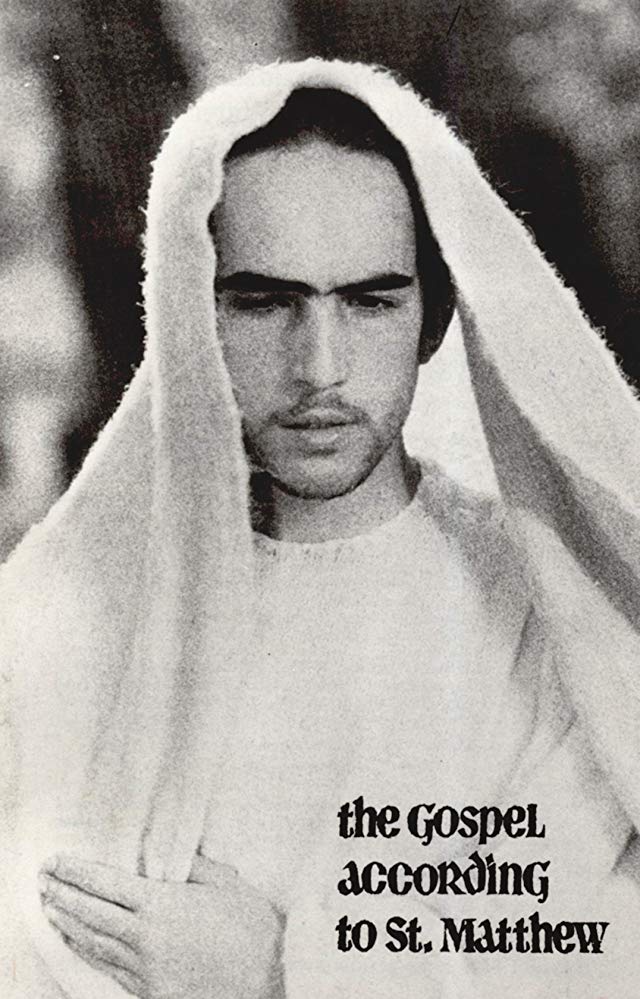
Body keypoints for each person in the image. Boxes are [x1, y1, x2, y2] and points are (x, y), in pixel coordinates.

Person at [2, 58, 640, 999]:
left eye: (371, 301)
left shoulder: (551, 623)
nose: (320, 368)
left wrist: (276, 972)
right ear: (191, 317)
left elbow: (585, 959)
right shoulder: (67, 620)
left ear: (433, 320)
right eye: (264, 301)